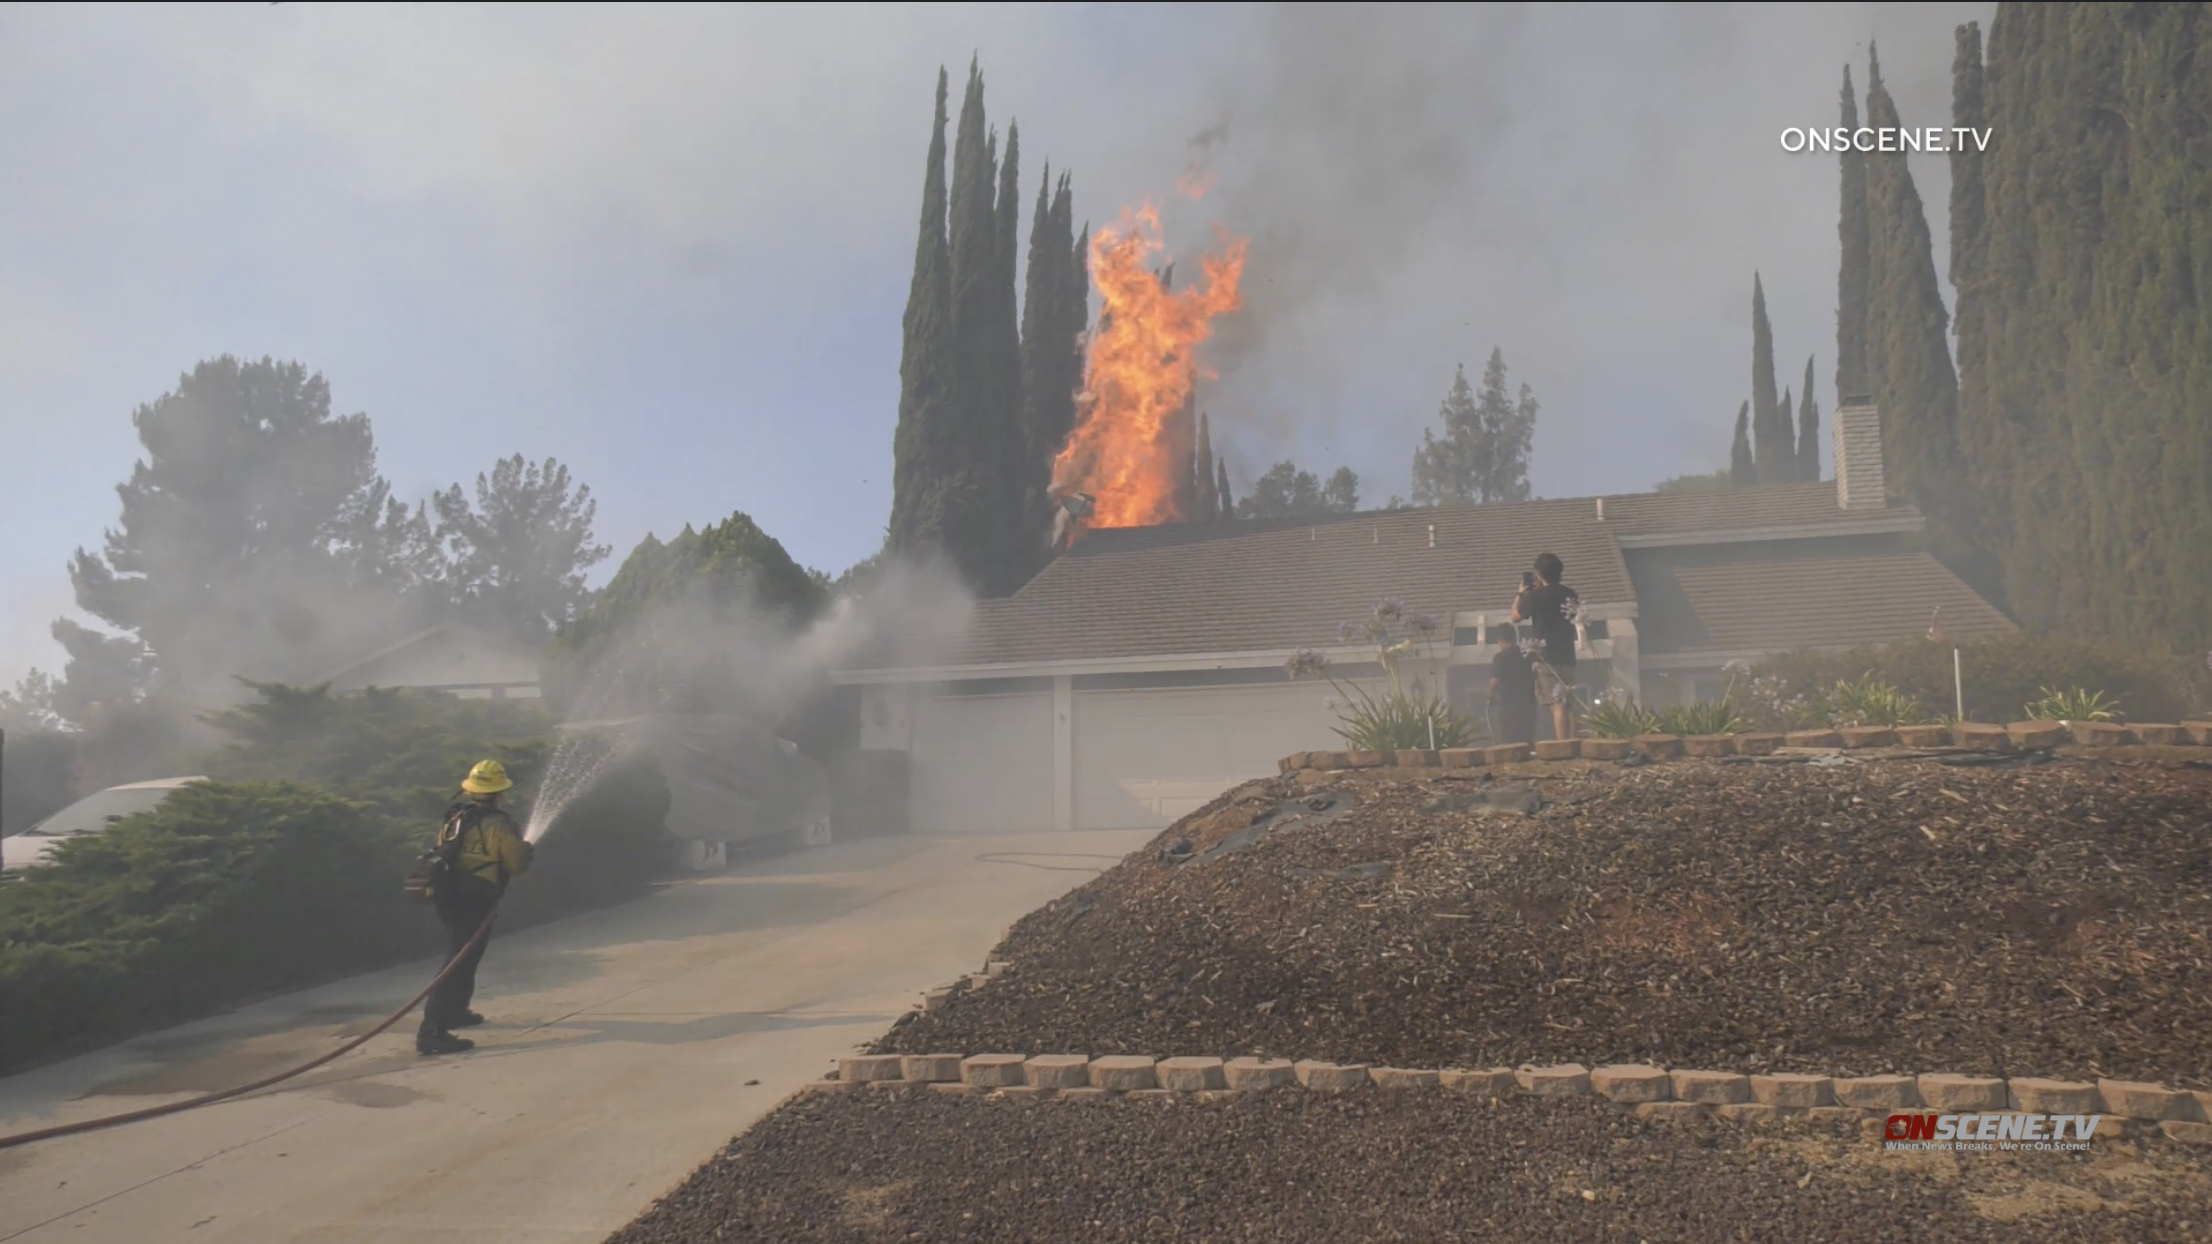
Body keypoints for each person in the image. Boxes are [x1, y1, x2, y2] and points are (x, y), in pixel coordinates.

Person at [418, 759, 533, 1056]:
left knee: (467, 955)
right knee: (457, 961)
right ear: (499, 792)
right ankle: (432, 1031)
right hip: (475, 898)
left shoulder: (455, 816)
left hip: (450, 895)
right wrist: (525, 850)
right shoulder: (498, 824)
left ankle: (456, 1011)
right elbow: (517, 865)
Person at [1511, 552, 1583, 742]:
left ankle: (1563, 745)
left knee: (1557, 704)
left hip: (1546, 657)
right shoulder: (1569, 593)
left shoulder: (1535, 596)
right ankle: (1575, 741)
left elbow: (1515, 617)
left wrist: (1521, 593)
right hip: (1568, 655)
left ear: (1540, 573)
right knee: (1568, 703)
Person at [1486, 626, 1538, 746]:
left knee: (1510, 742)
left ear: (1500, 640)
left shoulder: (1500, 657)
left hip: (1509, 706)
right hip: (1528, 705)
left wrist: (1490, 696)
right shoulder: (1527, 656)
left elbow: (1495, 681)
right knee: (1527, 741)